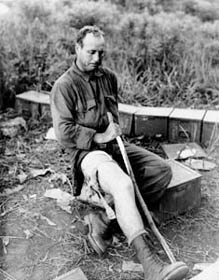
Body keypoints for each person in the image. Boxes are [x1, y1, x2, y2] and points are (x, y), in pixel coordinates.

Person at [51, 25, 188, 280]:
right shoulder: (64, 86)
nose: (97, 59)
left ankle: (104, 217)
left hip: (114, 148)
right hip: (87, 154)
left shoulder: (108, 77)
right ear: (77, 48)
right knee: (124, 185)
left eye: (101, 53)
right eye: (91, 52)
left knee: (160, 171)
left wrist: (114, 129)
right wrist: (99, 136)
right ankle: (151, 267)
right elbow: (63, 133)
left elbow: (111, 115)